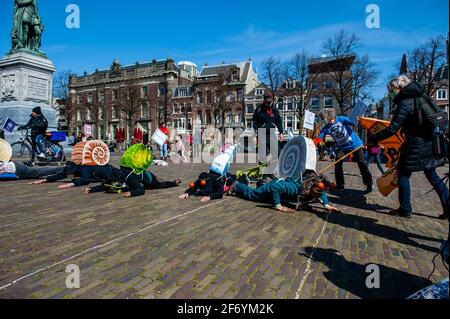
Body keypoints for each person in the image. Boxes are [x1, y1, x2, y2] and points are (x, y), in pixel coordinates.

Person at [368, 75, 449, 219]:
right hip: (430, 142)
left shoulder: (405, 102)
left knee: (403, 174)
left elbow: (393, 128)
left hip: (415, 144)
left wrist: (374, 138)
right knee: (432, 175)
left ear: (399, 87)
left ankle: (405, 208)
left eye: (392, 90)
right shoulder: (421, 97)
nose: (391, 93)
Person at [316, 109, 373, 193]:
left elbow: (353, 122)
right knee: (338, 162)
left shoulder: (341, 119)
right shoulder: (326, 127)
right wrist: (313, 140)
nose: (330, 122)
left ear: (331, 116)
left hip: (355, 144)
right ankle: (340, 184)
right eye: (327, 121)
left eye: (330, 120)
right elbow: (318, 138)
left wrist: (358, 119)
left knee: (361, 162)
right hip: (341, 147)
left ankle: (369, 184)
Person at [229, 171, 339, 213]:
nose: (321, 193)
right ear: (312, 186)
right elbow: (276, 187)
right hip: (273, 187)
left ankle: (261, 182)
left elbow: (322, 193)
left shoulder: (317, 190)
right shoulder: (295, 188)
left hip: (280, 194)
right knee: (252, 195)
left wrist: (326, 205)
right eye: (319, 191)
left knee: (264, 197)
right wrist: (278, 206)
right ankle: (237, 185)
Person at [29, 161, 119, 189]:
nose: (69, 174)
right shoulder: (72, 169)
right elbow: (61, 175)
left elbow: (85, 180)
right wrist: (44, 180)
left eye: (70, 172)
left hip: (110, 173)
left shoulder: (85, 168)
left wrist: (72, 183)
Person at [252, 91, 284, 165]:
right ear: (264, 100)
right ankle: (263, 174)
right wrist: (254, 136)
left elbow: (278, 121)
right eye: (267, 102)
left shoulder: (275, 110)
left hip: (272, 133)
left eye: (270, 102)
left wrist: (281, 133)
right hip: (261, 133)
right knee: (263, 154)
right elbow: (254, 123)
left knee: (277, 152)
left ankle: (271, 172)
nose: (269, 104)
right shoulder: (259, 110)